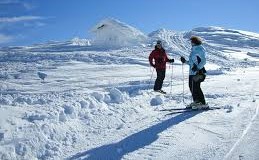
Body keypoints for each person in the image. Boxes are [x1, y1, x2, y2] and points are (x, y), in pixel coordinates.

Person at [180, 36, 208, 109]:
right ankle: (197, 101)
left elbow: (204, 60)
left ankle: (203, 103)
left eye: (191, 41)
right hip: (192, 72)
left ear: (195, 42)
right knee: (192, 87)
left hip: (198, 72)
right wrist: (185, 61)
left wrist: (198, 67)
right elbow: (191, 63)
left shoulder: (199, 49)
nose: (190, 43)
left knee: (196, 87)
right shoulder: (193, 50)